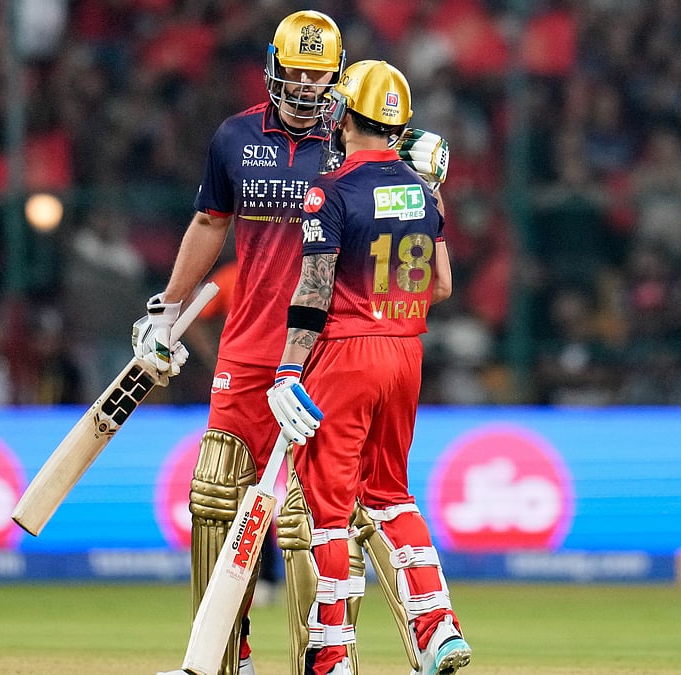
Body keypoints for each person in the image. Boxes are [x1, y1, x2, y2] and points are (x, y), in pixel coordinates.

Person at [134, 12, 451, 675]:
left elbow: (419, 183)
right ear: (274, 68)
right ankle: (222, 660)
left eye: (319, 75)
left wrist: (429, 162)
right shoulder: (235, 137)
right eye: (296, 73)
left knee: (314, 518)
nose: (307, 87)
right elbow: (206, 222)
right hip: (248, 352)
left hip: (326, 355)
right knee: (215, 498)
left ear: (339, 80)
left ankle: (325, 660)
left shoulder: (362, 142)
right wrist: (167, 308)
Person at [265, 61, 470, 675]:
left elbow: (314, 288)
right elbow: (442, 285)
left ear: (345, 116)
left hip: (347, 355)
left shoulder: (330, 190)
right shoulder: (423, 192)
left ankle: (331, 651)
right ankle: (438, 627)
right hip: (407, 352)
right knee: (390, 495)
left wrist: (286, 371)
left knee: (328, 507)